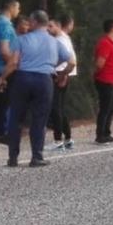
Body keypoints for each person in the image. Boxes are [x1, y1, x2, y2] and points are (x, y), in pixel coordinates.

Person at [0, 11, 75, 167]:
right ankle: (36, 157)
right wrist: (61, 74)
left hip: (23, 78)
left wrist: (2, 78)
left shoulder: (22, 39)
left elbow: (13, 63)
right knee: (39, 119)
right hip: (44, 80)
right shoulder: (55, 42)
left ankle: (13, 157)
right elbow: (71, 62)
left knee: (16, 118)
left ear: (34, 22)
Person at [0, 0, 20, 144]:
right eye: (18, 8)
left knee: (3, 102)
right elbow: (4, 50)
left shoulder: (0, 23)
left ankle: (1, 131)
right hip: (4, 69)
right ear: (12, 7)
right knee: (5, 102)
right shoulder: (5, 24)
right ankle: (3, 133)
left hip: (0, 67)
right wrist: (12, 65)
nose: (18, 11)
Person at [46, 16, 77, 151]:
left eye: (51, 26)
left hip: (59, 74)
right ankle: (68, 138)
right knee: (59, 108)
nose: (48, 29)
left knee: (56, 108)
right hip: (62, 73)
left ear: (58, 26)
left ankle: (58, 140)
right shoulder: (63, 37)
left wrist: (62, 75)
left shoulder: (59, 40)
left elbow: (67, 59)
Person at [94, 19, 113, 143]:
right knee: (105, 108)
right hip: (106, 80)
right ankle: (100, 135)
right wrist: (97, 75)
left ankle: (106, 133)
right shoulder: (105, 43)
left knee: (111, 108)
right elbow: (100, 63)